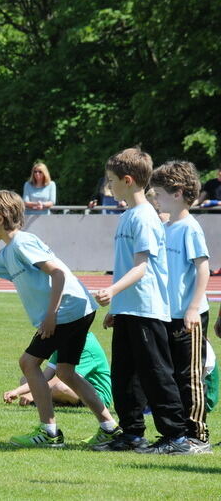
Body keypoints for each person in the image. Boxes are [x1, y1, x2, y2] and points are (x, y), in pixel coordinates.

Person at [0, 190, 119, 448]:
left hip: (67, 311)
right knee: (65, 372)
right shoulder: (6, 254)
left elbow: (58, 274)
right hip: (80, 309)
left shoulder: (21, 243)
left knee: (28, 363)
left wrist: (51, 315)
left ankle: (49, 433)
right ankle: (109, 427)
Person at [93, 147, 189, 454]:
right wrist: (117, 307)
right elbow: (126, 266)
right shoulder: (128, 215)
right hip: (128, 309)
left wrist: (113, 291)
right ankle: (132, 434)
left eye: (111, 180)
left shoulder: (145, 216)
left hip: (147, 309)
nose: (109, 186)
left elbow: (142, 267)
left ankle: (175, 437)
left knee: (155, 373)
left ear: (128, 180)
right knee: (124, 376)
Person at [150, 160, 211, 453]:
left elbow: (203, 269)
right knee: (171, 376)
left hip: (189, 316)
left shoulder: (190, 228)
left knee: (190, 376)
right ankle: (176, 435)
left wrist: (193, 308)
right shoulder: (165, 227)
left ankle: (198, 436)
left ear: (177, 194)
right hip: (167, 314)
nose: (155, 198)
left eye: (159, 194)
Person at [3, 331, 112, 409]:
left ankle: (51, 400)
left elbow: (65, 377)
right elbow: (46, 375)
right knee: (26, 379)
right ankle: (55, 400)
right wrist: (16, 391)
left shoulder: (86, 345)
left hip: (96, 396)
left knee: (61, 387)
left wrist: (34, 395)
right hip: (73, 387)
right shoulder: (65, 339)